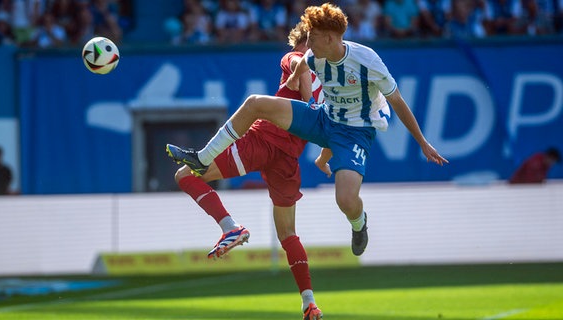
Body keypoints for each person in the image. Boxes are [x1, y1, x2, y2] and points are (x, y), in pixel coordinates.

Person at [167, 0, 446, 297]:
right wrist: (300, 88)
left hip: (353, 133)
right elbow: (302, 67)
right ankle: (203, 157)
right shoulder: (313, 55)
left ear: (330, 37)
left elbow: (398, 102)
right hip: (322, 120)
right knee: (255, 104)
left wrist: (423, 142)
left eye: (312, 37)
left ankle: (358, 222)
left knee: (346, 200)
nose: (307, 43)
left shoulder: (367, 61)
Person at [167, 21, 324, 320]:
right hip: (288, 157)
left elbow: (298, 65)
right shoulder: (318, 71)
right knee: (288, 233)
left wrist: (310, 98)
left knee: (184, 175)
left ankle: (230, 227)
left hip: (263, 141)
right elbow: (303, 71)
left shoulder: (296, 59)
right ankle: (309, 302)